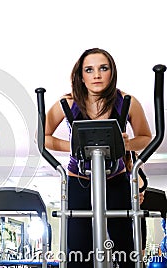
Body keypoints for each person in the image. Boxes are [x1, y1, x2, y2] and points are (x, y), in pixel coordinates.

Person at [44, 48, 152, 267]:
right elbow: (42, 137)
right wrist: (73, 146)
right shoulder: (67, 103)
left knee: (125, 248)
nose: (97, 75)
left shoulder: (127, 101)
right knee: (78, 250)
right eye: (89, 70)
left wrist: (127, 144)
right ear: (81, 76)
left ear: (112, 72)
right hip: (79, 181)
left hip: (116, 180)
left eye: (103, 68)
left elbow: (146, 137)